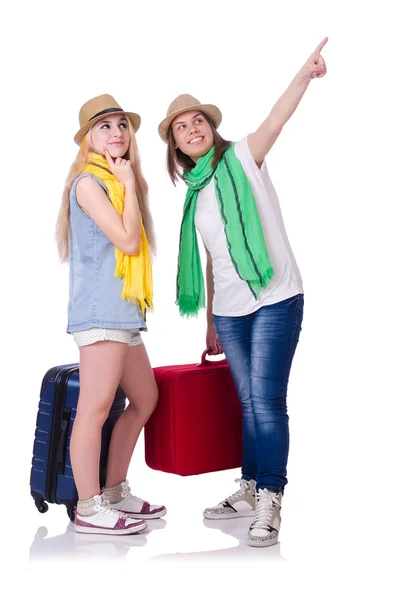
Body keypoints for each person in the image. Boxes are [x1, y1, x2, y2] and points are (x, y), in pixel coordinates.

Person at [158, 39, 328, 547]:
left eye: (197, 121)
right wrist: (211, 316)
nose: (192, 129)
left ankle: (271, 499)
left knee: (268, 402)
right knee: (248, 402)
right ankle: (250, 487)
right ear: (177, 145)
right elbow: (213, 259)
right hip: (230, 312)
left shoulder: (244, 157)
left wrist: (304, 74)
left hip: (276, 298)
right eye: (182, 127)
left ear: (210, 128)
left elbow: (277, 118)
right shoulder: (196, 194)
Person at [56, 94, 166, 535]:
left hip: (123, 314)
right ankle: (89, 506)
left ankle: (115, 489)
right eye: (105, 126)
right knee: (95, 408)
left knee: (145, 400)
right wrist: (130, 184)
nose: (117, 132)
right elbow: (128, 242)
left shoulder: (118, 182)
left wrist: (130, 183)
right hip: (101, 312)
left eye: (122, 125)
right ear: (87, 140)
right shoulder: (89, 183)